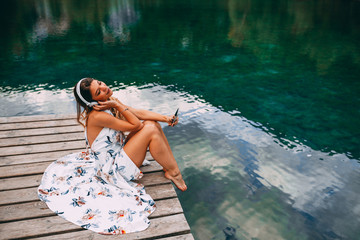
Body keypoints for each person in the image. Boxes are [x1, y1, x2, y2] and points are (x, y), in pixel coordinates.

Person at [37, 77, 187, 235]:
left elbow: (137, 113)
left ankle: (171, 170)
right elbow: (136, 124)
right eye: (98, 92)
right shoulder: (98, 115)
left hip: (118, 154)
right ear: (93, 102)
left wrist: (165, 118)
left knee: (153, 125)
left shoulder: (109, 102)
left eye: (100, 84)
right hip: (113, 169)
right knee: (149, 129)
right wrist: (117, 105)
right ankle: (174, 173)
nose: (104, 88)